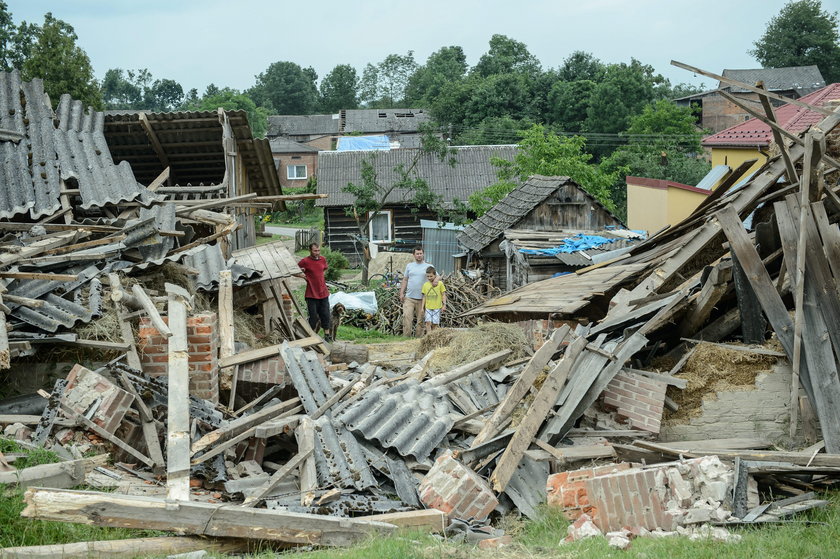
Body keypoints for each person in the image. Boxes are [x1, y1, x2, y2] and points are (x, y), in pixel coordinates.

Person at [295, 243, 331, 341]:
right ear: (310, 250)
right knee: (313, 317)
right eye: (315, 251)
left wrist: (321, 280)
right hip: (311, 294)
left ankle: (327, 336)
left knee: (326, 314)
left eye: (318, 250)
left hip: (323, 293)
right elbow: (294, 270)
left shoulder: (322, 259)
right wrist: (303, 276)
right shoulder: (305, 261)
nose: (317, 252)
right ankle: (312, 336)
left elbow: (324, 269)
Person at [399, 245, 431, 337]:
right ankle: (406, 338)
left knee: (420, 320)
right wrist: (401, 293)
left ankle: (418, 339)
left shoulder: (428, 266)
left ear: (423, 254)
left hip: (422, 299)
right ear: (413, 255)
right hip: (409, 297)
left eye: (421, 253)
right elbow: (405, 279)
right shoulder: (409, 266)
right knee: (407, 318)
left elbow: (436, 277)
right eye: (417, 254)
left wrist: (436, 281)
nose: (419, 255)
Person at [421, 266, 446, 335]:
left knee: (435, 324)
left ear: (435, 275)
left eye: (431, 276)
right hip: (428, 307)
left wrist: (444, 305)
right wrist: (422, 308)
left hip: (437, 307)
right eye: (428, 276)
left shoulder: (440, 284)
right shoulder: (425, 285)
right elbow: (424, 297)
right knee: (428, 322)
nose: (429, 278)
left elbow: (443, 294)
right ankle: (429, 336)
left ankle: (433, 335)